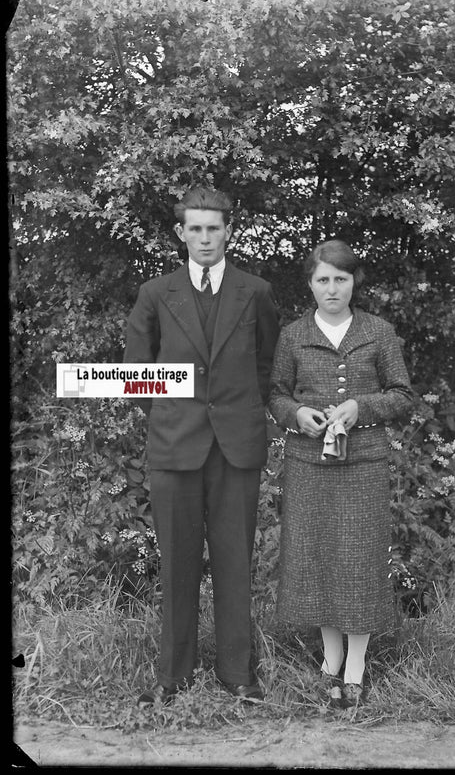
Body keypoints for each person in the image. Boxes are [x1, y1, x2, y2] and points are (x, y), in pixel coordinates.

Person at [124, 187, 279, 705]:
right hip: (175, 446)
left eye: (214, 228)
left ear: (228, 231)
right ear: (181, 233)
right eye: (196, 228)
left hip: (237, 447)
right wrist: (171, 416)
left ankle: (237, 673)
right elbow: (136, 373)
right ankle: (173, 675)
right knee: (177, 562)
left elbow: (267, 366)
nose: (206, 238)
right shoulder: (155, 293)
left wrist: (241, 412)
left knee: (235, 561)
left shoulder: (255, 291)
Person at [269, 239, 413, 709]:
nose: (332, 289)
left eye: (341, 279)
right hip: (309, 465)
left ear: (354, 282)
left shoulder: (379, 331)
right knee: (320, 560)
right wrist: (296, 414)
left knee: (359, 562)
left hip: (363, 464)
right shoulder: (293, 334)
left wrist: (360, 407)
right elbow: (276, 394)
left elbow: (402, 396)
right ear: (310, 284)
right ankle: (331, 660)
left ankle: (356, 667)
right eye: (323, 279)